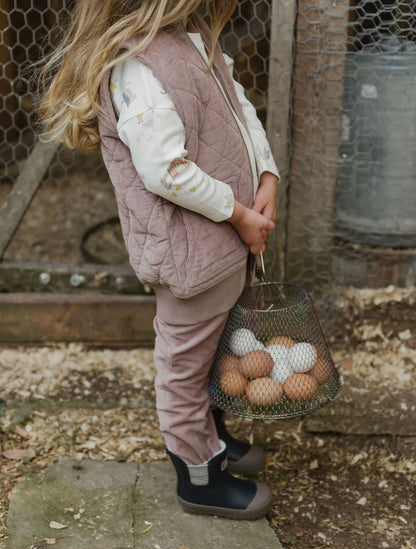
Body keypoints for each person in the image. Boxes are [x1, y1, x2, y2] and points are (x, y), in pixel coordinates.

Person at [37, 0, 279, 520]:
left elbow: (238, 106)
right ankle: (200, 478)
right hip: (188, 255)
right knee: (184, 370)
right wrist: (237, 213)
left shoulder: (192, 36)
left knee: (215, 352)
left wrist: (267, 175)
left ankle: (214, 434)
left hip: (225, 245)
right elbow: (165, 171)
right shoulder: (136, 66)